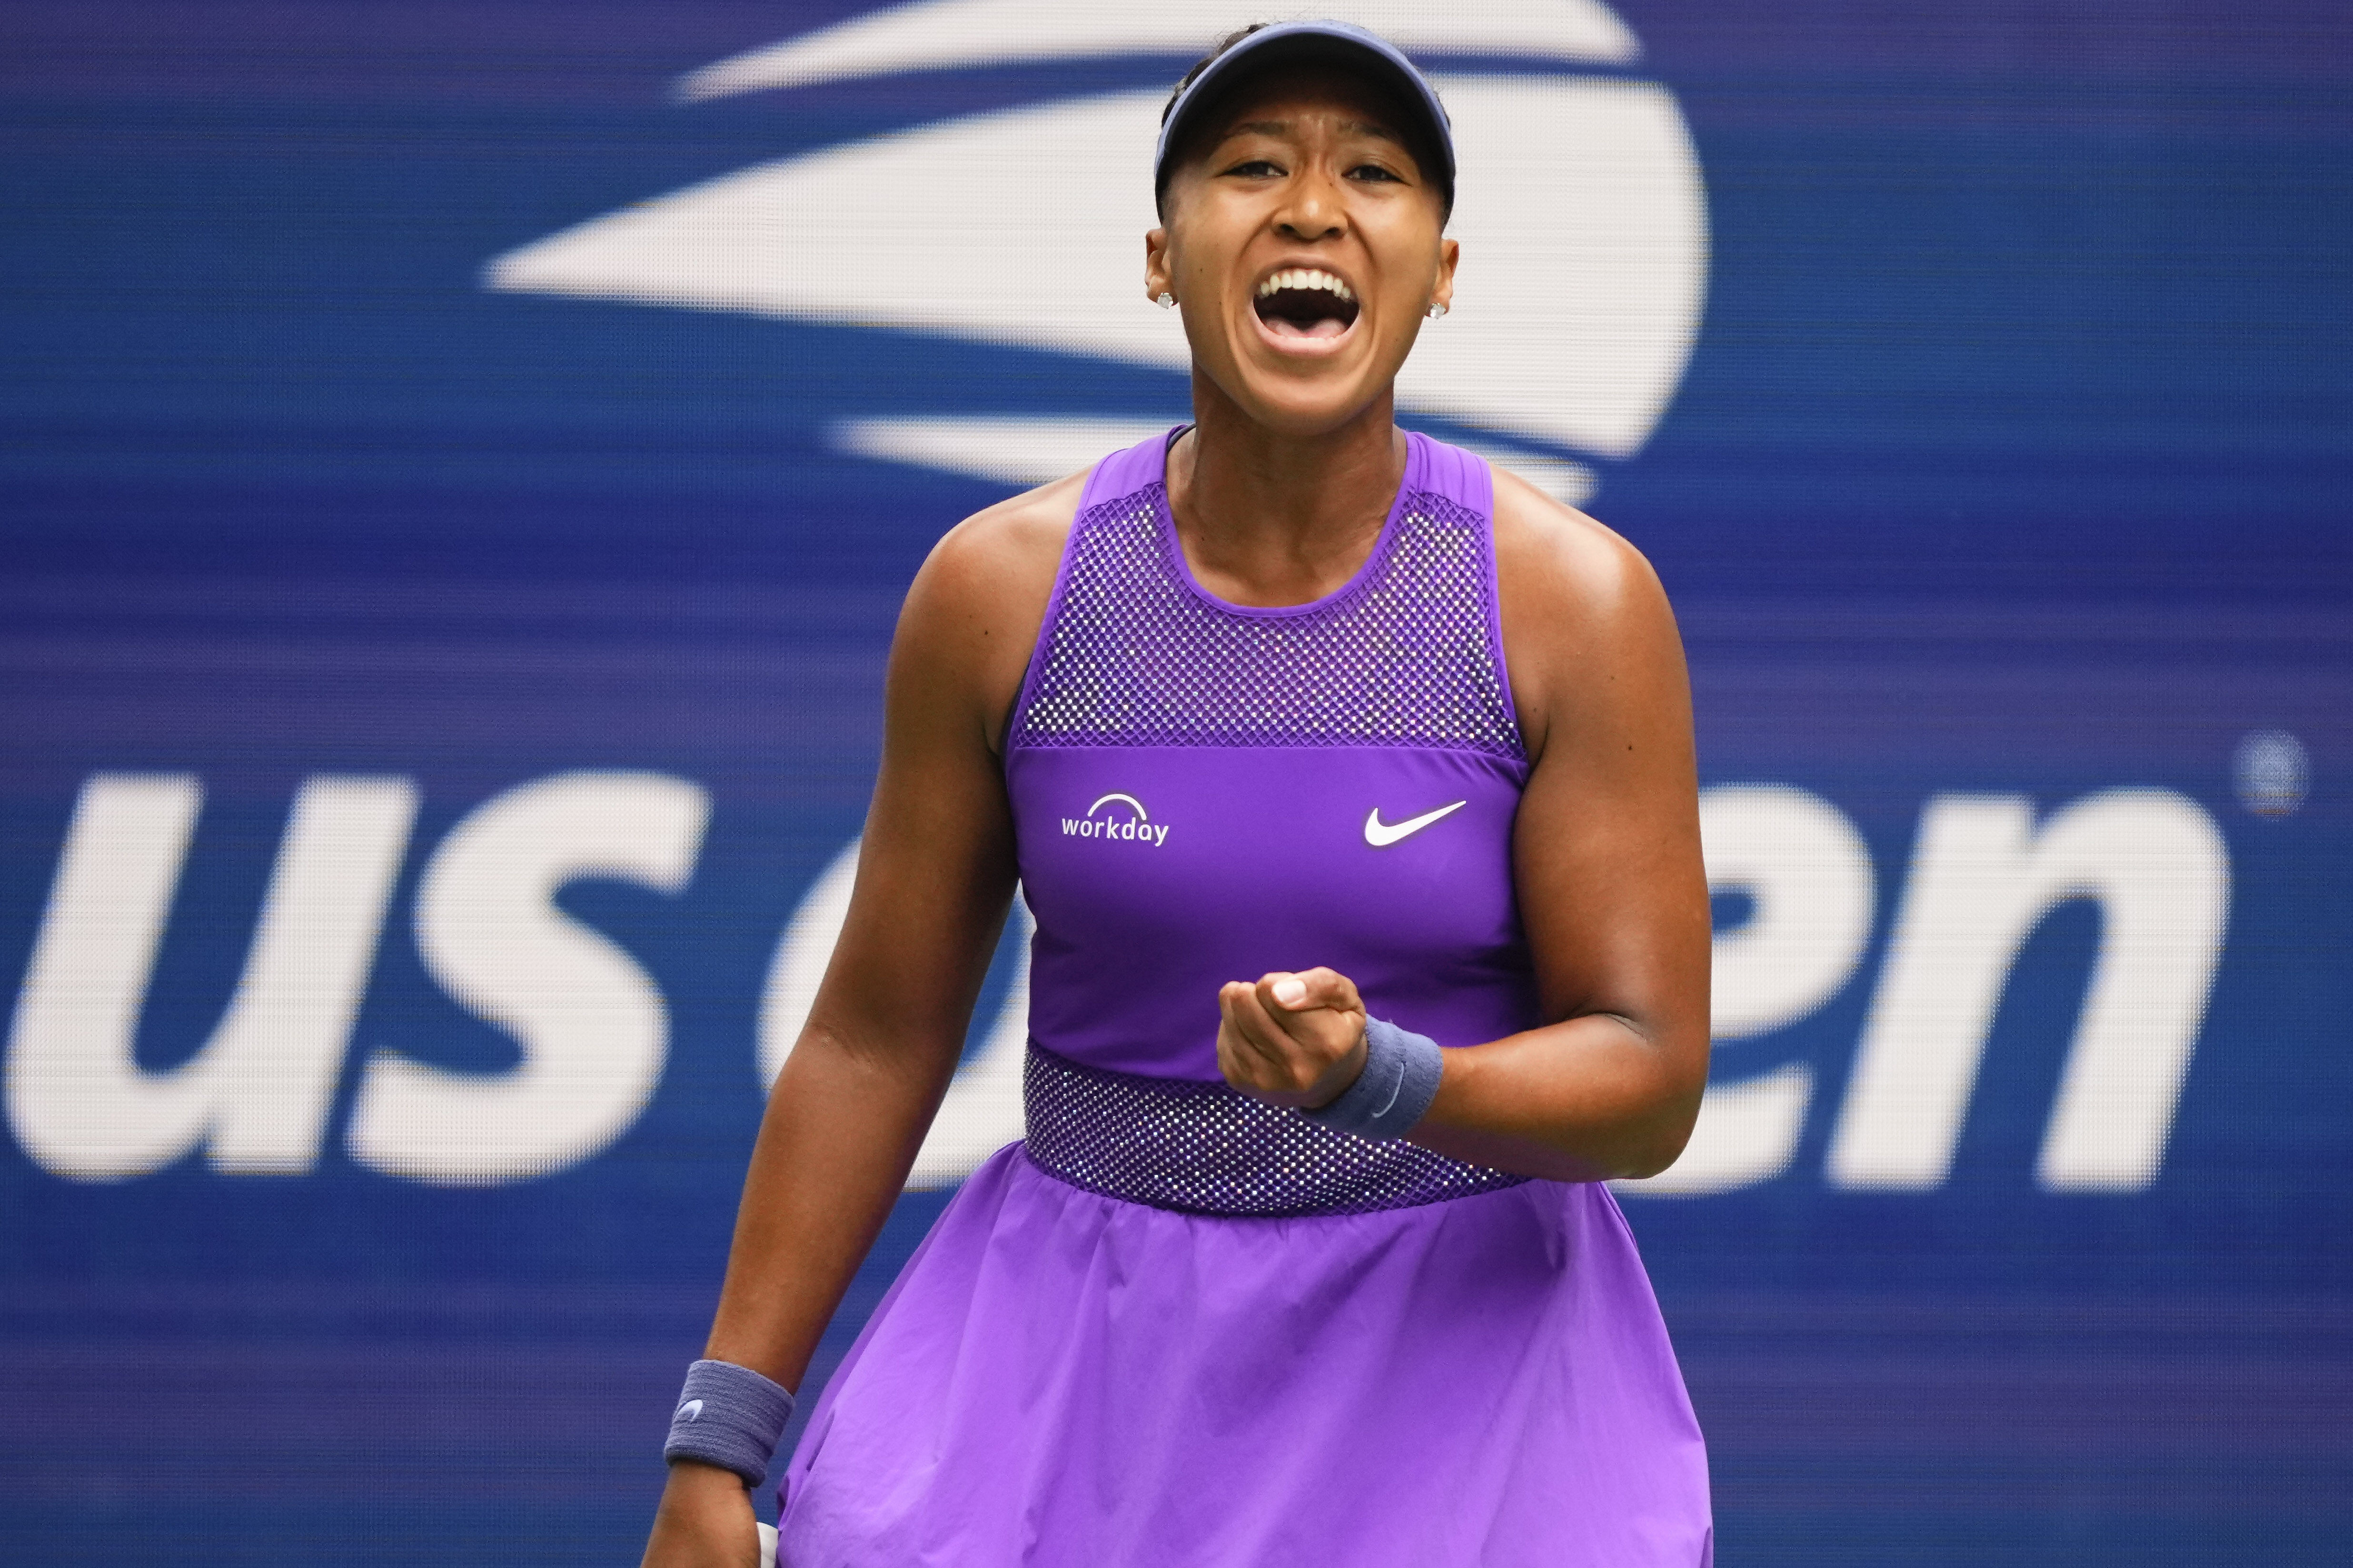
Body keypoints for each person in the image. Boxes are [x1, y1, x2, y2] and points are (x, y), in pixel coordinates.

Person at [643, 20, 1714, 1567]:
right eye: (1251, 167)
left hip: (1464, 1393)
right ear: (1162, 257)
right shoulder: (999, 593)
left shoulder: (1574, 606)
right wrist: (719, 1439)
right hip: (1073, 1366)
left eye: (1376, 173)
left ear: (1442, 266)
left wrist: (1389, 1084)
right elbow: (873, 1038)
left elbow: (1650, 1079)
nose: (1311, 208)